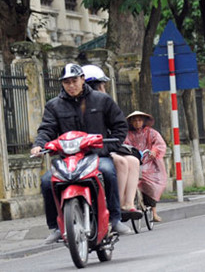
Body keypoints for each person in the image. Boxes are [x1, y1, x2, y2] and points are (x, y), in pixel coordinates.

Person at [31, 63, 132, 243]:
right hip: (68, 160)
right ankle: (55, 226)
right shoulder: (53, 106)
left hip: (96, 156)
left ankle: (114, 219)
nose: (71, 85)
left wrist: (108, 147)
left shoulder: (102, 100)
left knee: (108, 172)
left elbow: (120, 126)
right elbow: (46, 129)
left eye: (74, 80)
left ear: (83, 79)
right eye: (66, 82)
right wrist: (39, 145)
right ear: (62, 84)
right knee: (47, 181)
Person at [82, 64, 142, 219]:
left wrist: (113, 143)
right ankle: (116, 205)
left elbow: (118, 125)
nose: (104, 90)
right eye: (101, 86)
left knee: (133, 161)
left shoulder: (105, 102)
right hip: (89, 152)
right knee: (121, 163)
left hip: (107, 147)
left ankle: (128, 204)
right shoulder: (77, 105)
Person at [125, 111, 168, 222]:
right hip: (134, 161)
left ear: (144, 121)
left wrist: (154, 151)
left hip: (150, 163)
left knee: (152, 185)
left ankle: (154, 212)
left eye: (139, 120)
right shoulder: (128, 134)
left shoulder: (151, 133)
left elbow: (160, 144)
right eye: (134, 120)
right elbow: (124, 145)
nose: (137, 123)